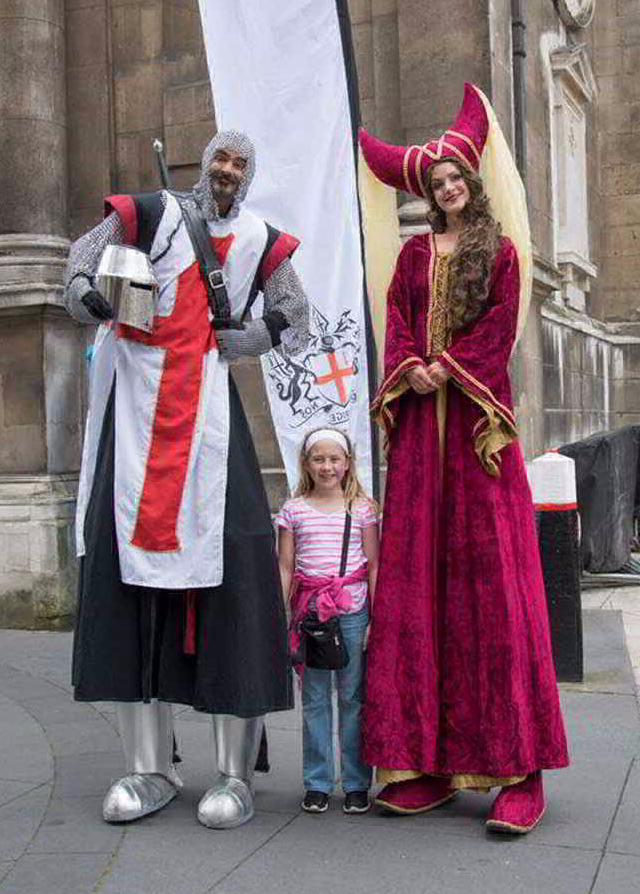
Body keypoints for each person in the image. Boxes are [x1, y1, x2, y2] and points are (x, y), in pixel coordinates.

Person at [63, 129, 309, 829]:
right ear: (200, 166)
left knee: (234, 582)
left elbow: (298, 311)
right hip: (133, 419)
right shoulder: (150, 212)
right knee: (124, 584)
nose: (228, 171)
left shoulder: (263, 239)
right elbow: (81, 263)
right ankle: (149, 767)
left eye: (240, 163)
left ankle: (233, 773)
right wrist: (88, 294)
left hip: (211, 426)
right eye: (220, 160)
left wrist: (261, 333)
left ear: (249, 175)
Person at [358, 84, 569, 833]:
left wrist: (449, 367)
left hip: (479, 442)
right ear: (425, 193)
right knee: (419, 589)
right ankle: (426, 762)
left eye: (455, 178)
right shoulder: (413, 258)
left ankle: (519, 769)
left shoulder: (501, 253)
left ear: (471, 183)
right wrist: (409, 366)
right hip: (421, 442)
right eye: (435, 183)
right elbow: (398, 324)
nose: (447, 189)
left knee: (494, 594)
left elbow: (497, 329)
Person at [276, 428, 379, 814]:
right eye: (318, 459)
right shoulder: (293, 509)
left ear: (348, 462)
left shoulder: (363, 509)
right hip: (311, 616)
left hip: (352, 613)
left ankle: (355, 783)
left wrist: (375, 616)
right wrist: (280, 612)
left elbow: (373, 566)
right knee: (316, 699)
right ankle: (317, 782)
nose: (327, 466)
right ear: (306, 463)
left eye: (334, 459)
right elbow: (286, 566)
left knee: (353, 698)